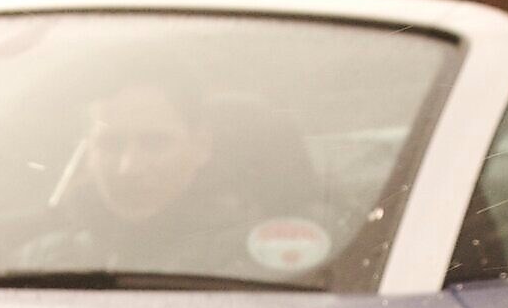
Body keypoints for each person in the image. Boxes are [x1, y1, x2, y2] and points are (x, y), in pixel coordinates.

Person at [19, 69, 318, 277]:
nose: (129, 168)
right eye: (110, 144)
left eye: (154, 143)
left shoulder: (264, 263)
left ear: (201, 145)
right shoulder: (39, 262)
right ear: (87, 154)